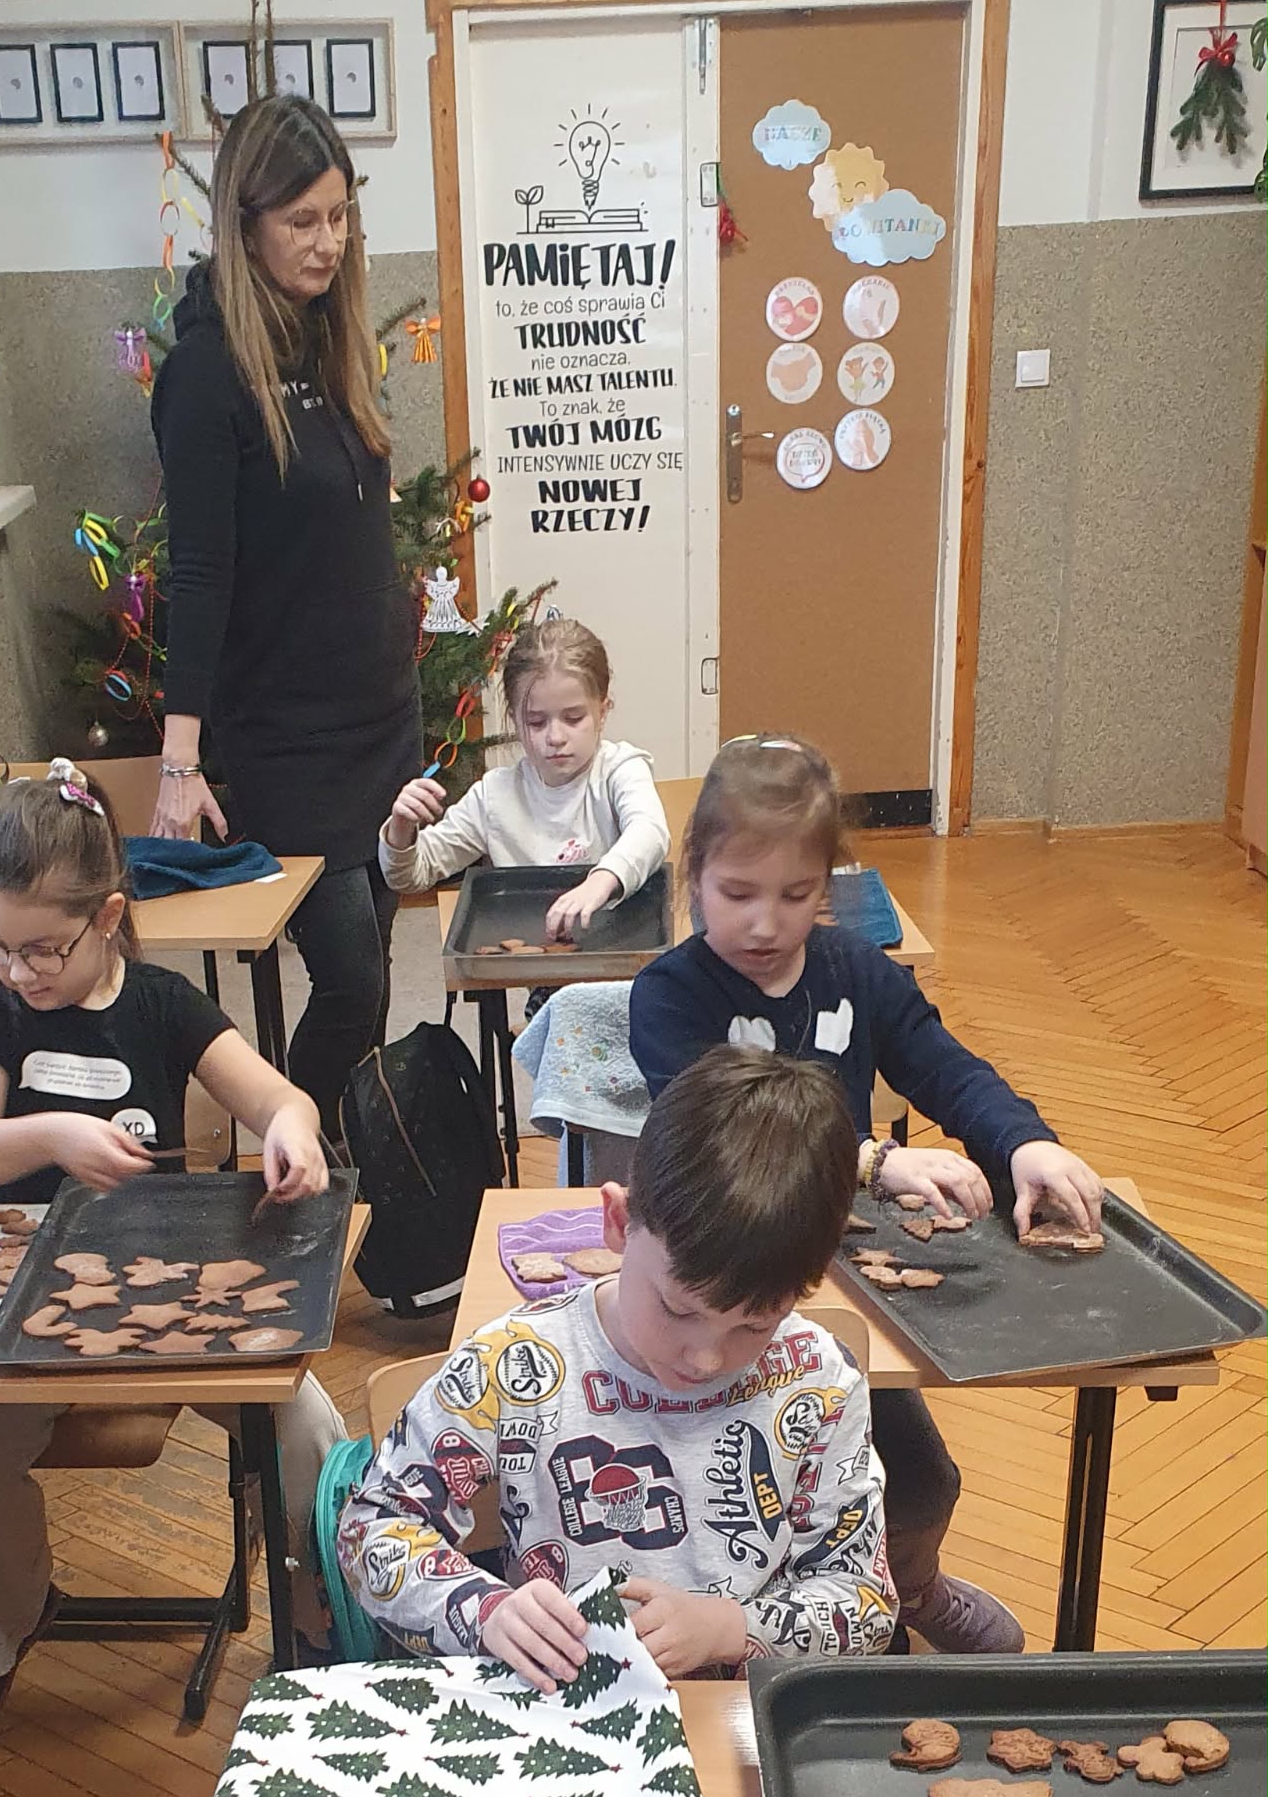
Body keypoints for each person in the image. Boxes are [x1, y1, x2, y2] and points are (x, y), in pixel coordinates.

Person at [629, 734, 1106, 1656]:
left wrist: (1025, 1144)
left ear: (829, 884)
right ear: (693, 877)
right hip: (722, 1293)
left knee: (921, 1485)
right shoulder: (669, 995)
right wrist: (874, 1160)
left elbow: (944, 1065)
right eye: (737, 893)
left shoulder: (855, 971)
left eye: (796, 895)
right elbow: (725, 1136)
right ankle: (785, 1617)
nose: (765, 922)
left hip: (837, 1282)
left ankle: (906, 1587)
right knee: (743, 1500)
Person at [0, 761, 346, 1732]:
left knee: (304, 1428)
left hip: (168, 1296)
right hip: (29, 1310)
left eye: (43, 948)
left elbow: (278, 1097)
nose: (18, 970)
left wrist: (291, 1130)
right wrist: (49, 1136)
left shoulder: (160, 1003)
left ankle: (318, 1612)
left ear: (108, 917)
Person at [340, 1047, 896, 1683]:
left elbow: (867, 1603)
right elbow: (372, 1525)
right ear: (617, 1222)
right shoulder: (515, 1364)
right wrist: (483, 1610)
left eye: (754, 1325)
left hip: (743, 1718)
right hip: (565, 1705)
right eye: (677, 1308)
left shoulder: (819, 1380)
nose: (706, 1356)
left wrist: (733, 1628)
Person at [150, 94, 420, 1131]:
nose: (326, 241)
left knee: (375, 969)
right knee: (349, 979)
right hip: (288, 742)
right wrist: (180, 760)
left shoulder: (327, 338)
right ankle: (294, 1143)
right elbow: (199, 573)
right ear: (246, 222)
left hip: (379, 721)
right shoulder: (204, 375)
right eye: (301, 220)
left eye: (339, 215)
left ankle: (339, 1162)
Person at [379, 618, 670, 945]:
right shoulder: (494, 797)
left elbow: (650, 832)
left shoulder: (620, 769)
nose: (555, 737)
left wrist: (601, 880)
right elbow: (410, 877)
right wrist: (401, 829)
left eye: (573, 718)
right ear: (515, 720)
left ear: (603, 712)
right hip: (537, 962)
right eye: (536, 722)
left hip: (620, 956)